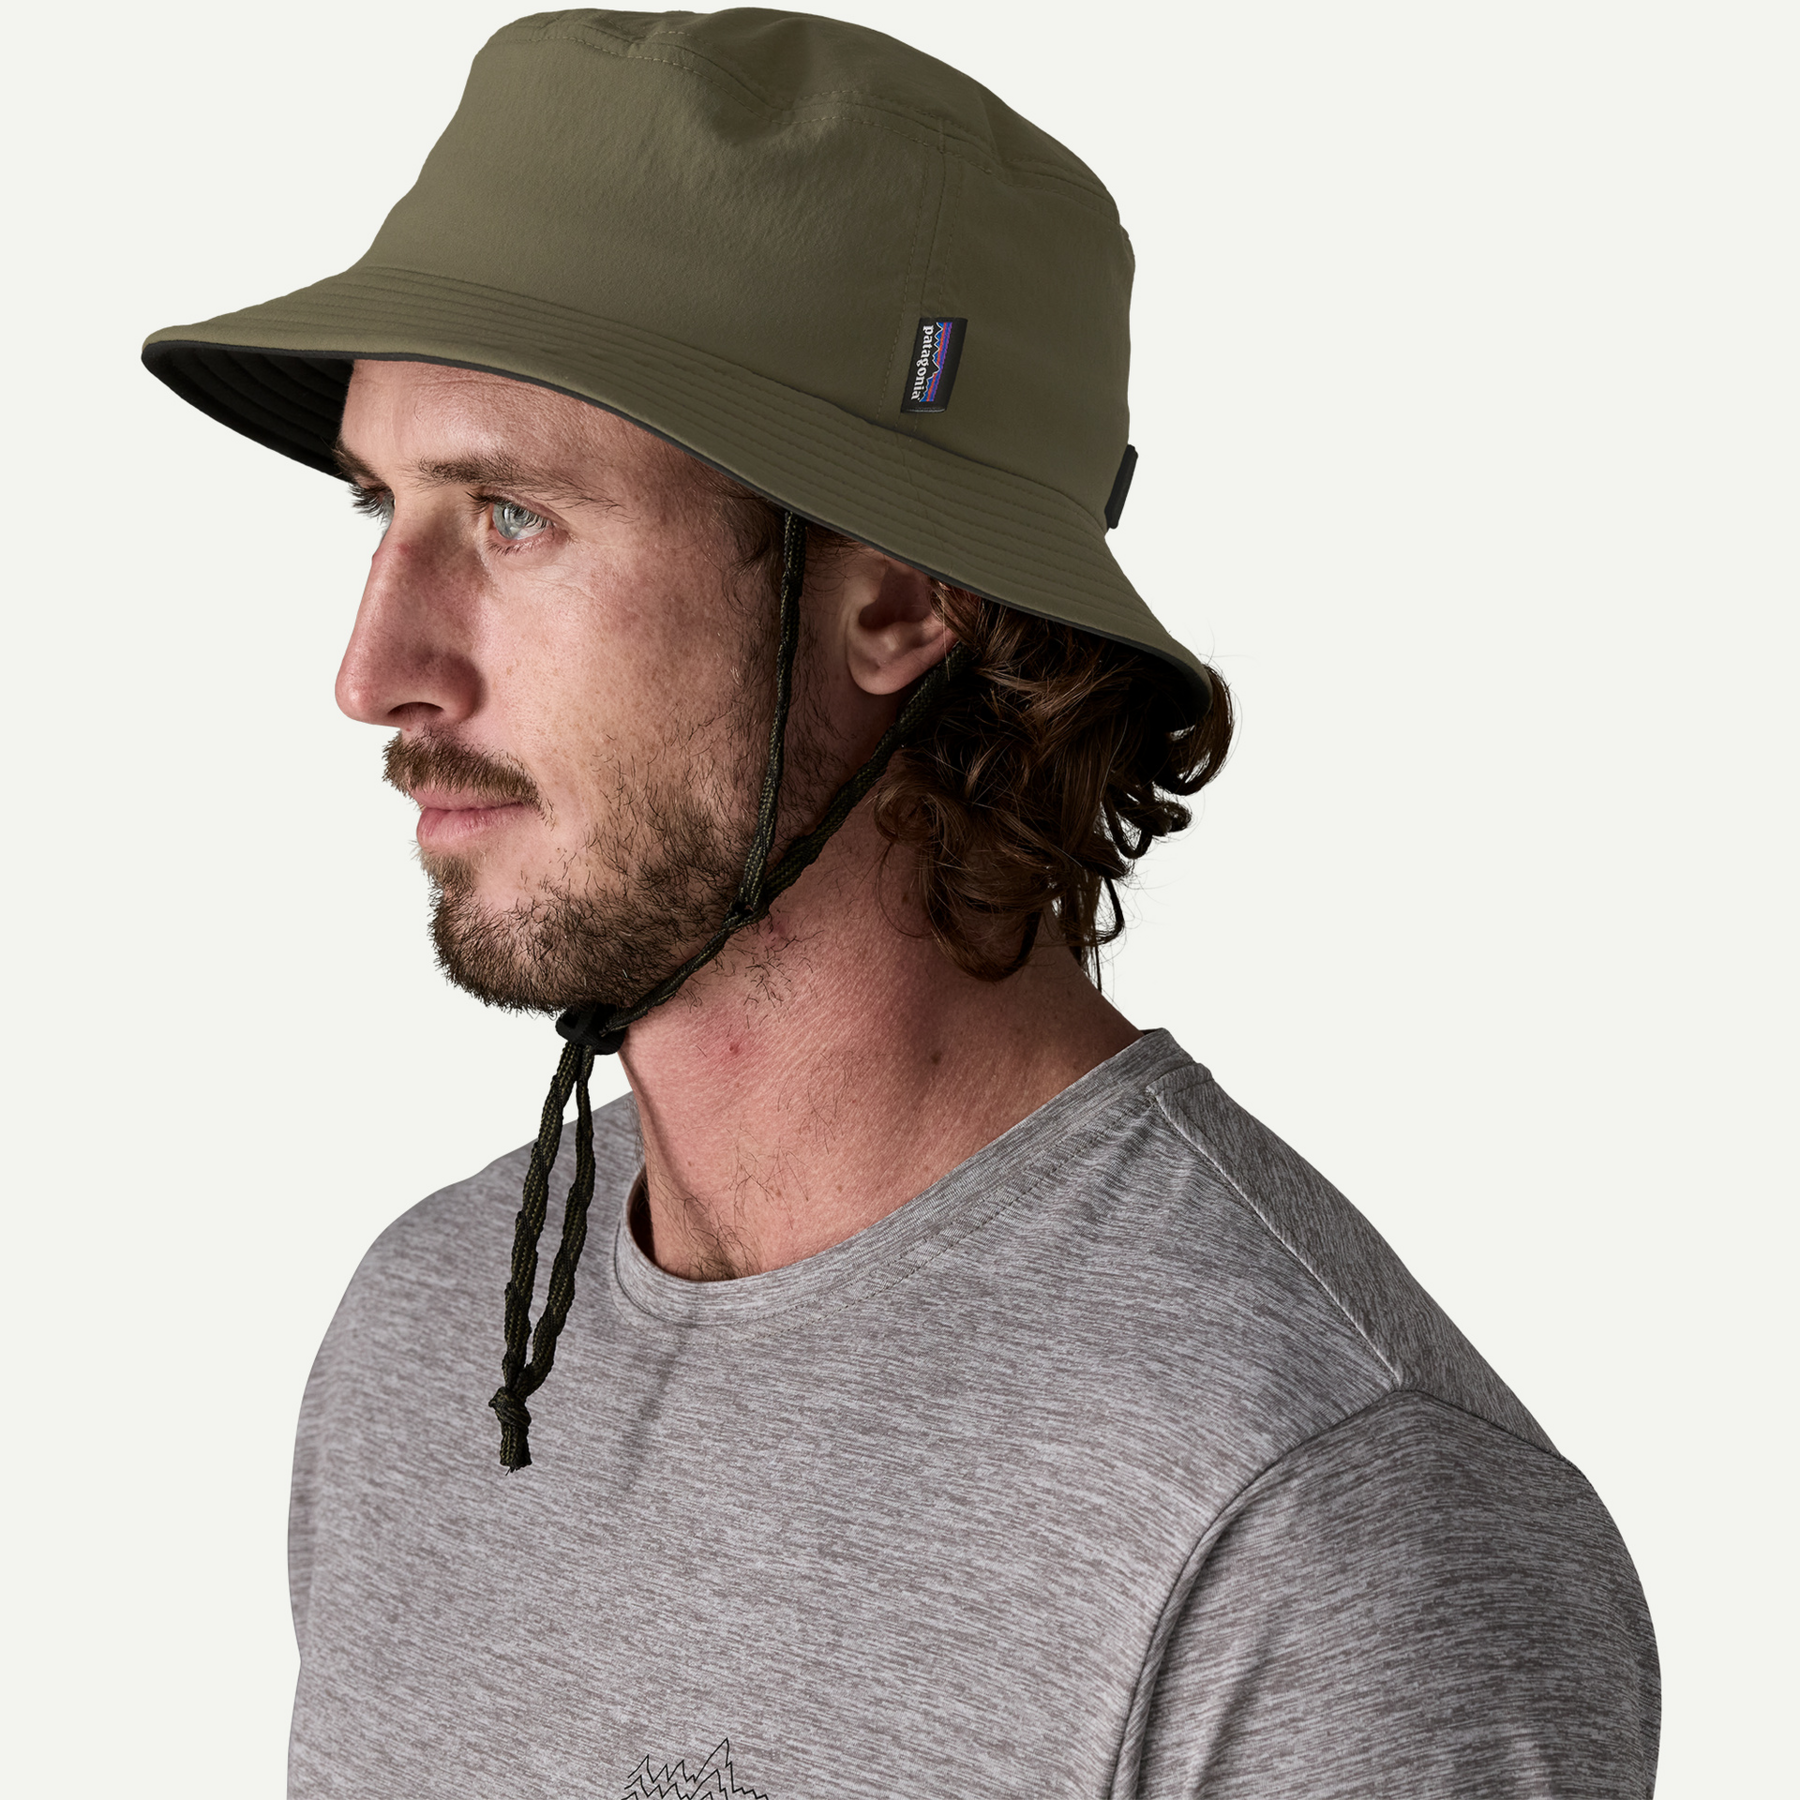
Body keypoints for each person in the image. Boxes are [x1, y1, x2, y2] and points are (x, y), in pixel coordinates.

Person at [143, 9, 1658, 1796]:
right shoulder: (434, 1335)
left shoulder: (1318, 1527)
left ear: (897, 599)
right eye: (379, 509)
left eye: (512, 518)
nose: (376, 671)